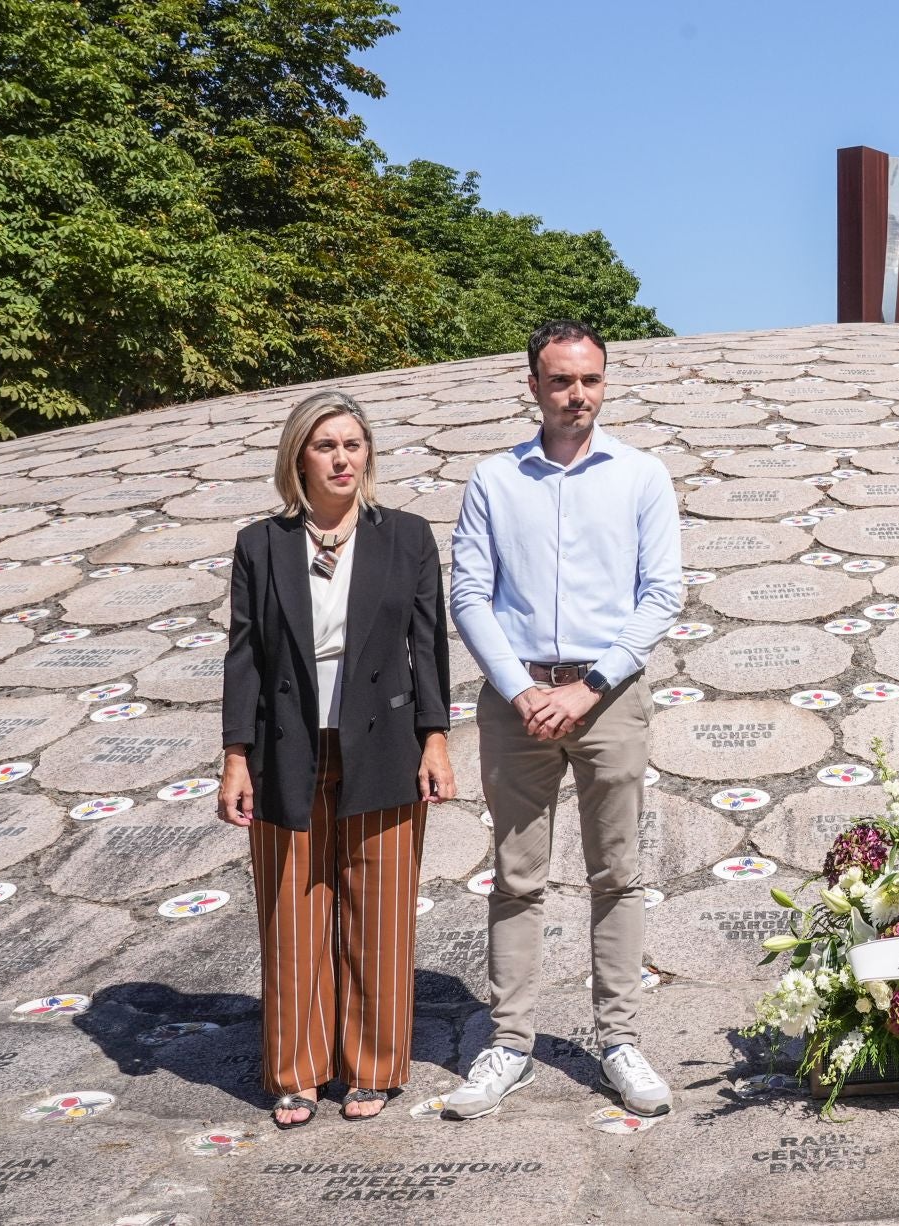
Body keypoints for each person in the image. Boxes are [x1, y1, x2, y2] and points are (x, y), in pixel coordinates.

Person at [442, 320, 683, 1120]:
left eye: (589, 381)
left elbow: (662, 595)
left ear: (604, 384)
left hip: (609, 697)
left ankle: (619, 1040)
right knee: (516, 877)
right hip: (518, 703)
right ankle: (509, 1044)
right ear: (533, 385)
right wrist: (519, 691)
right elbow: (470, 595)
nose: (576, 396)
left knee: (618, 873)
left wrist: (588, 687)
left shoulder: (641, 476)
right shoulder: (494, 479)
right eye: (559, 381)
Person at [219, 390, 456, 1129]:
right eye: (326, 445)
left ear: (368, 455)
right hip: (287, 745)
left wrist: (436, 739)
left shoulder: (408, 537)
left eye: (353, 444)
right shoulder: (261, 544)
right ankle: (297, 1071)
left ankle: (373, 1068)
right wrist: (235, 757)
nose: (342, 457)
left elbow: (429, 649)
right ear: (299, 457)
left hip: (383, 744)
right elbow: (244, 658)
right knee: (293, 912)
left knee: (379, 914)